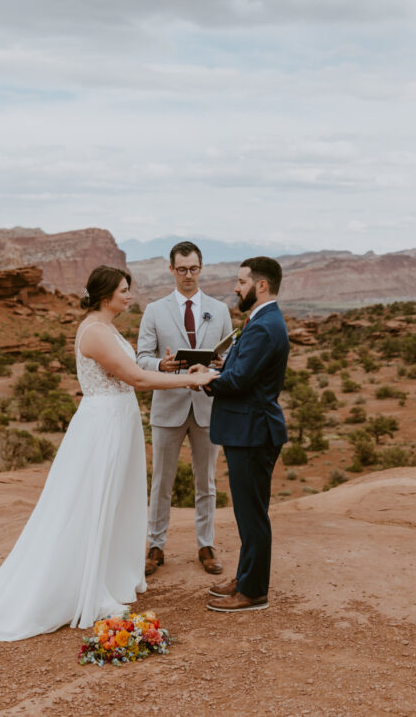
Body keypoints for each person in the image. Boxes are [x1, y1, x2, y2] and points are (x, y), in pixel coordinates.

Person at [0, 265, 216, 641]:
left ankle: (106, 575)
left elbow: (134, 370)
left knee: (114, 499)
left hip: (116, 421)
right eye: (124, 290)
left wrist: (165, 365)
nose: (129, 295)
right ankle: (79, 584)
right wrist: (192, 378)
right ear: (106, 294)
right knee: (91, 501)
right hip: (103, 427)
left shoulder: (104, 327)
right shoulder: (94, 332)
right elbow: (137, 379)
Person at [194, 256, 289, 613]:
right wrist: (219, 367)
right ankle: (245, 576)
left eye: (241, 281)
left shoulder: (264, 326)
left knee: (252, 515)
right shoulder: (261, 320)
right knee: (249, 512)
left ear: (261, 285)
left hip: (253, 431)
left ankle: (253, 591)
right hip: (248, 429)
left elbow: (238, 381)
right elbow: (240, 369)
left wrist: (204, 378)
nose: (236, 287)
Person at [136, 241, 233, 578]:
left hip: (207, 406)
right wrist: (160, 365)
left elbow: (231, 357)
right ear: (171, 270)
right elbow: (141, 358)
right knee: (162, 480)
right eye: (181, 269)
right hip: (168, 407)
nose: (188, 275)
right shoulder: (154, 310)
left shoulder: (219, 310)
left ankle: (206, 545)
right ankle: (155, 546)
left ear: (201, 268)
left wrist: (222, 362)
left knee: (206, 482)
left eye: (193, 269)